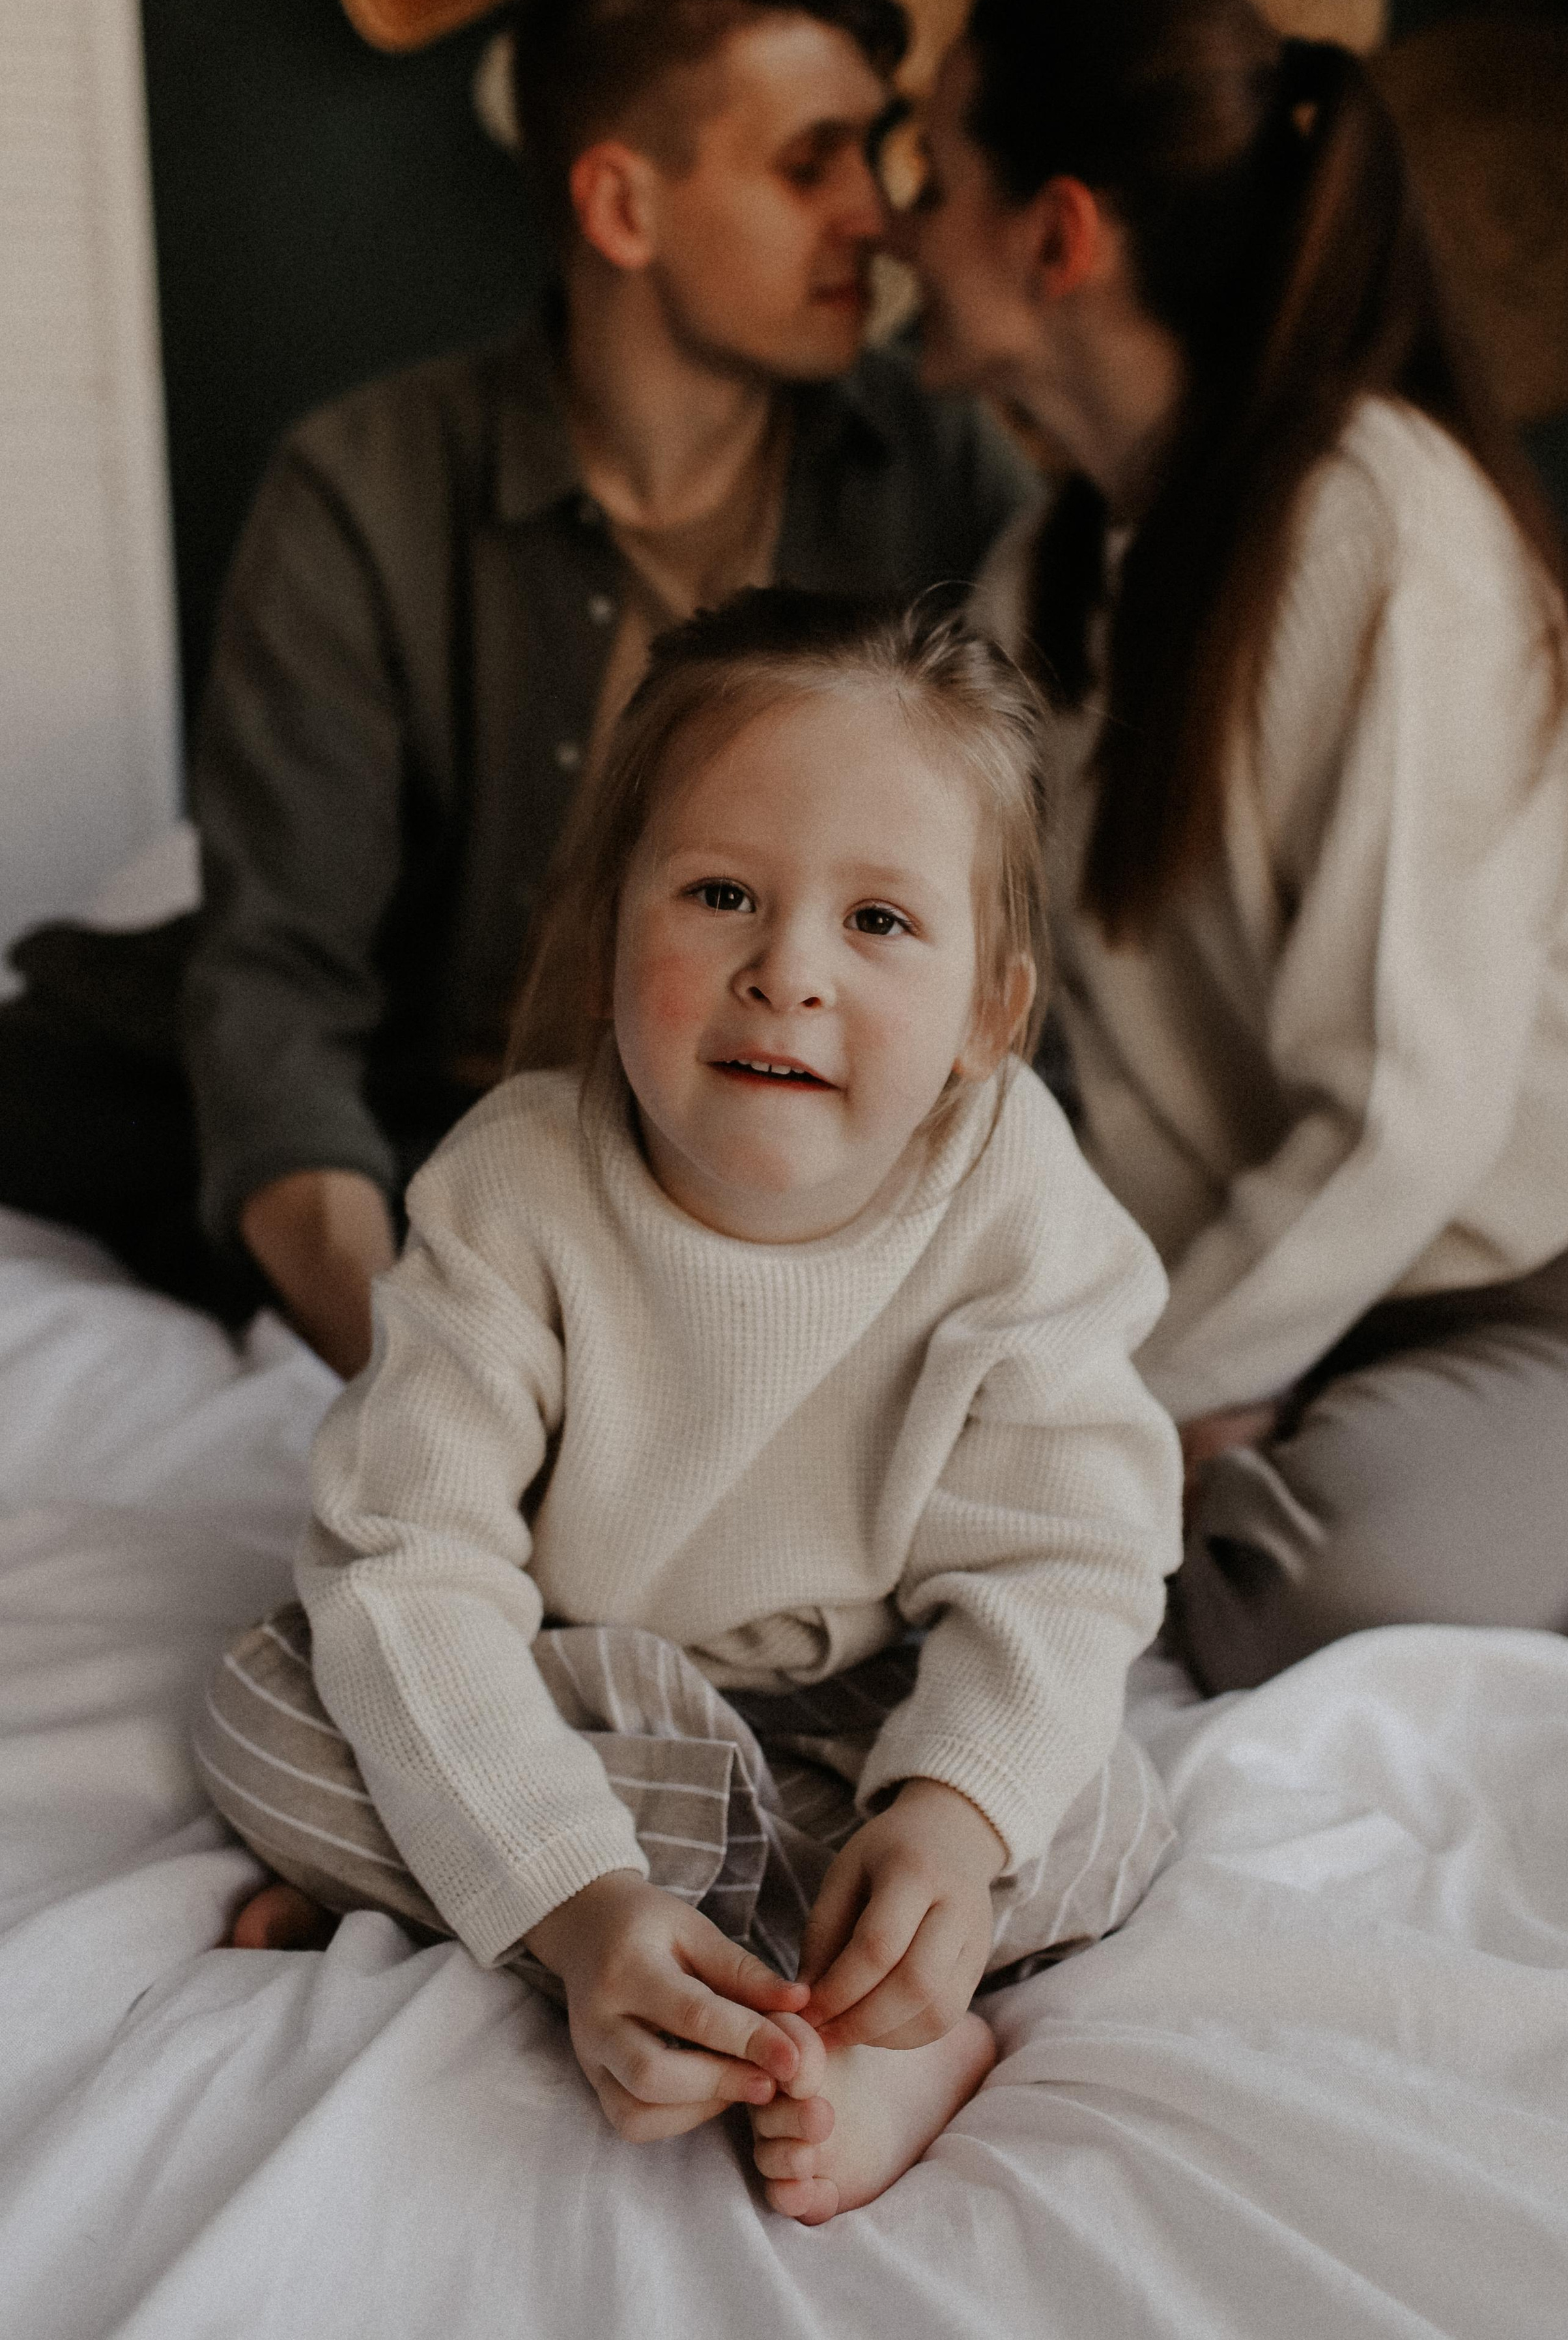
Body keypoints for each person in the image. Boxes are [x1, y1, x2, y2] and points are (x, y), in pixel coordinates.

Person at [192, 590, 1182, 2220]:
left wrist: (944, 1821)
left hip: (866, 1709)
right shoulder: (511, 1189)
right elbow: (406, 1569)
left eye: (878, 923)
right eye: (721, 893)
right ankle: (661, 1958)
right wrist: (577, 1901)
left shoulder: (1016, 1198)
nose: (785, 972)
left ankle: (832, 1994)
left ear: (990, 1016)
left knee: (1096, 1803)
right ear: (606, 941)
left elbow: (1067, 1563)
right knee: (265, 1714)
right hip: (576, 1685)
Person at [0, 0, 1033, 1373]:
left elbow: (1007, 945)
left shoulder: (939, 476)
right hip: (433, 1105)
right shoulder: (361, 487)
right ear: (622, 207)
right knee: (98, 1081)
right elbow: (284, 980)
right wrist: (431, 1388)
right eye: (812, 163)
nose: (874, 216)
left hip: (765, 1123)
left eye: (869, 154)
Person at [896, 0, 1568, 1694]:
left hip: (1549, 1289)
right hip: (1256, 1293)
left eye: (930, 177)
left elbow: (1410, 1105)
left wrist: (1118, 1406)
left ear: (1060, 235)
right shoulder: (1042, 579)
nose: (896, 230)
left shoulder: (1378, 528)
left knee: (1332, 1582)